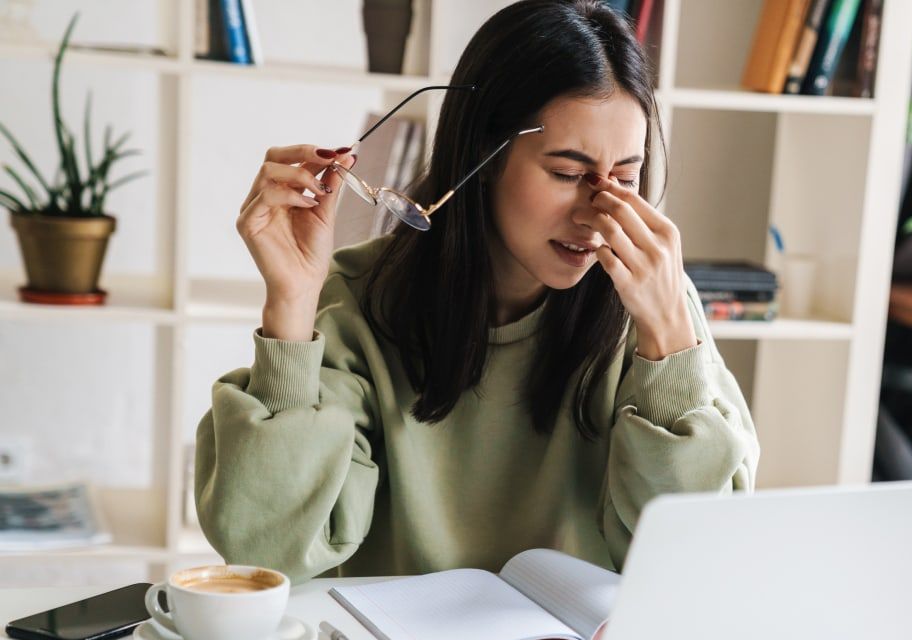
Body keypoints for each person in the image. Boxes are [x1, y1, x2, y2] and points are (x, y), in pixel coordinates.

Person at [195, 0, 759, 582]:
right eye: (567, 174)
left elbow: (700, 562)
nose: (600, 213)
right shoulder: (363, 303)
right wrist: (290, 304)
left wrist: (668, 346)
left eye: (625, 177)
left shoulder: (656, 306)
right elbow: (272, 551)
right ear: (482, 157)